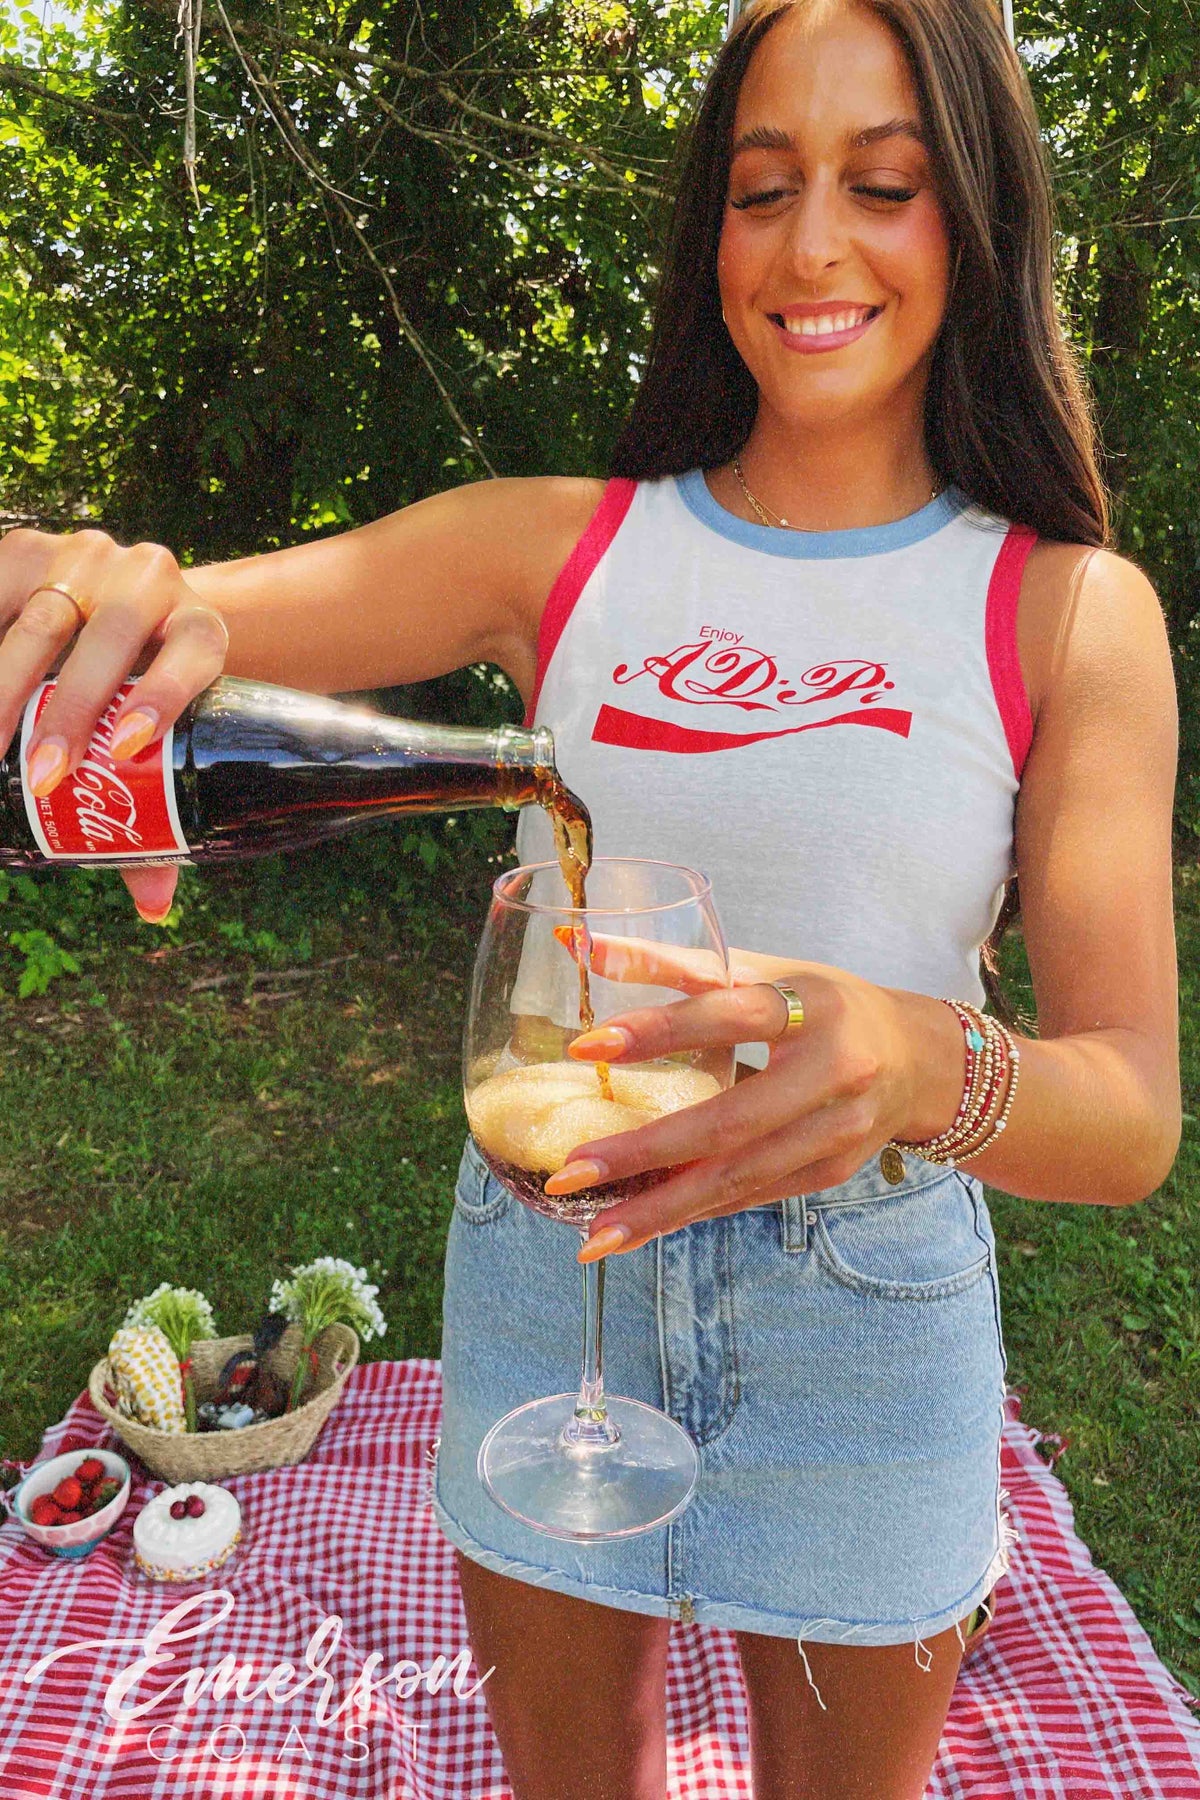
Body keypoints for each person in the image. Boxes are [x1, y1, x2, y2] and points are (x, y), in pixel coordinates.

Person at [0, 0, 1179, 1794]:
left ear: (985, 222)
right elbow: (163, 614)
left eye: (885, 185)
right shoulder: (555, 546)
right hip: (555, 1273)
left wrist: (921, 1062)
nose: (811, 248)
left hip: (867, 1315)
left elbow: (1132, 1112)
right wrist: (75, 591)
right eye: (763, 186)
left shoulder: (1071, 612)